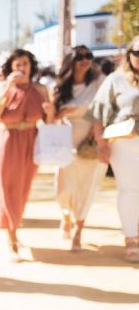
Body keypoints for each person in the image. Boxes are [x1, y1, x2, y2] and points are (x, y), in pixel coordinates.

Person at [0, 49, 55, 259]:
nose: (22, 68)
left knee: (23, 187)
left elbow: (48, 121)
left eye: (25, 64)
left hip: (31, 140)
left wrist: (50, 112)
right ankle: (11, 235)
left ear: (31, 66)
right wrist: (8, 87)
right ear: (10, 68)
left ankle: (14, 227)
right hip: (6, 140)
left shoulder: (41, 89)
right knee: (7, 187)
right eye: (17, 65)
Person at [51, 45, 107, 252]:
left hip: (91, 142)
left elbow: (106, 108)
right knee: (63, 189)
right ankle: (66, 216)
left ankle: (78, 231)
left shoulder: (98, 82)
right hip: (64, 144)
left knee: (86, 189)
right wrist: (63, 113)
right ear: (71, 61)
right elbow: (50, 116)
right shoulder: (60, 87)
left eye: (88, 56)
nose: (85, 60)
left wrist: (95, 127)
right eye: (79, 57)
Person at [90, 36, 139, 263]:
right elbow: (97, 114)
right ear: (130, 55)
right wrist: (101, 145)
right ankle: (130, 237)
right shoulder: (116, 80)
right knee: (130, 190)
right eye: (137, 53)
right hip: (125, 142)